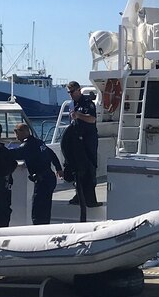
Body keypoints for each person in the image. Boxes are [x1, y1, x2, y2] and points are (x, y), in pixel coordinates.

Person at [9, 123, 62, 225]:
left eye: (17, 133)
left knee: (38, 210)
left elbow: (14, 154)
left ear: (23, 132)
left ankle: (39, 227)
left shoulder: (27, 145)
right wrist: (58, 168)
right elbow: (51, 154)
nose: (16, 136)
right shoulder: (39, 142)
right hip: (49, 178)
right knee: (46, 208)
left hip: (42, 181)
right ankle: (45, 225)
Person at [65, 81, 101, 211]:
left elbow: (92, 119)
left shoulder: (87, 103)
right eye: (69, 92)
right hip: (76, 139)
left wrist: (78, 115)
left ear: (78, 90)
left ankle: (91, 198)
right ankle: (78, 194)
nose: (71, 95)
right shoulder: (71, 104)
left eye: (72, 92)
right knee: (77, 167)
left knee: (89, 167)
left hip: (88, 139)